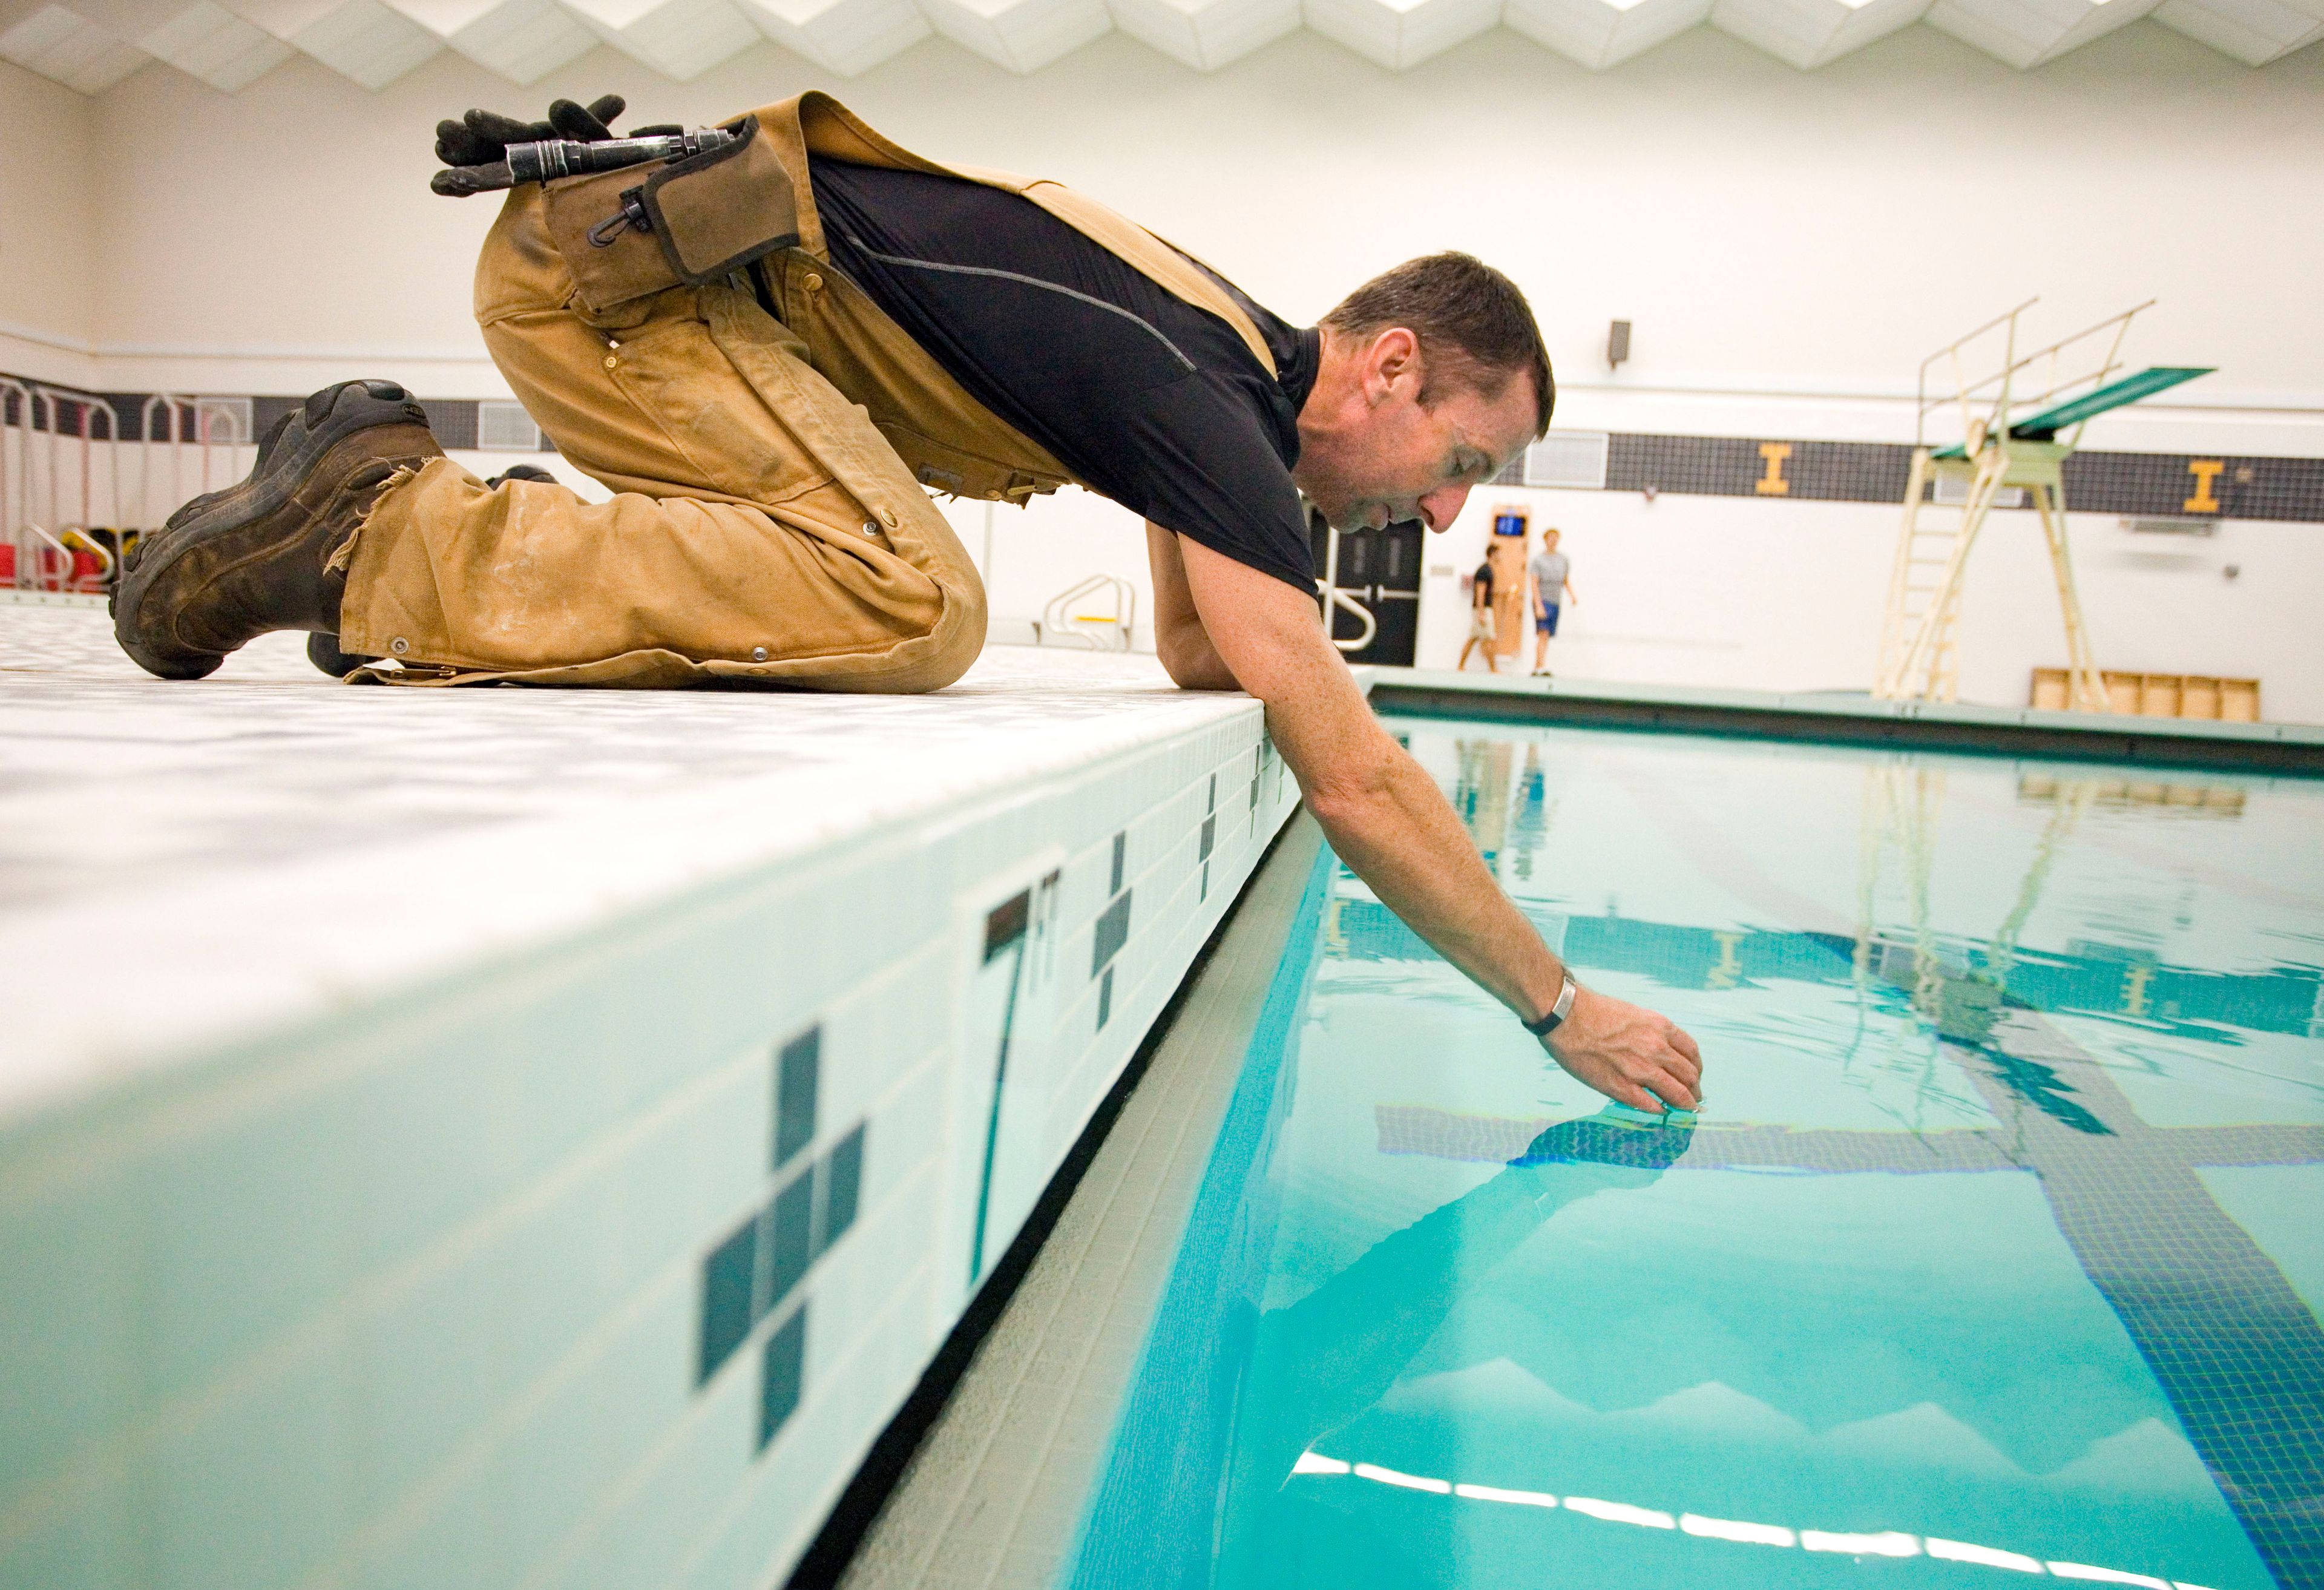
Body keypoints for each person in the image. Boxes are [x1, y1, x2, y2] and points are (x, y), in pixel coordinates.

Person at [110, 93, 1701, 1116]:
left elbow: (1196, 649)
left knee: (885, 582)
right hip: (615, 284)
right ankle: (373, 529)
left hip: (675, 291)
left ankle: (312, 543)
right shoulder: (1208, 390)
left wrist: (1273, 596)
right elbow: (1350, 773)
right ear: (1396, 368)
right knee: (904, 600)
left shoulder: (1220, 377)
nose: (1442, 512)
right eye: (1463, 459)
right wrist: (1557, 1006)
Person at [1528, 526, 1577, 676]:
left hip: (1556, 601)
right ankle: (1540, 666)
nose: (1553, 541)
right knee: (1543, 633)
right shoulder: (1539, 560)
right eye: (1550, 537)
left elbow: (1565, 580)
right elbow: (1534, 583)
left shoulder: (1563, 559)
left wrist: (1572, 595)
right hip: (1543, 600)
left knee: (1547, 635)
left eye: (1556, 538)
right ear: (1545, 540)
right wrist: (1538, 605)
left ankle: (1539, 665)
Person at [1457, 556, 1498, 672]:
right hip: (1483, 609)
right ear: (1494, 554)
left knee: (1473, 638)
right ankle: (1493, 669)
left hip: (1482, 609)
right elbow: (1480, 592)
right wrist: (1481, 612)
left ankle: (1461, 665)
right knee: (1489, 639)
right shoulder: (1484, 571)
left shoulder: (1488, 569)